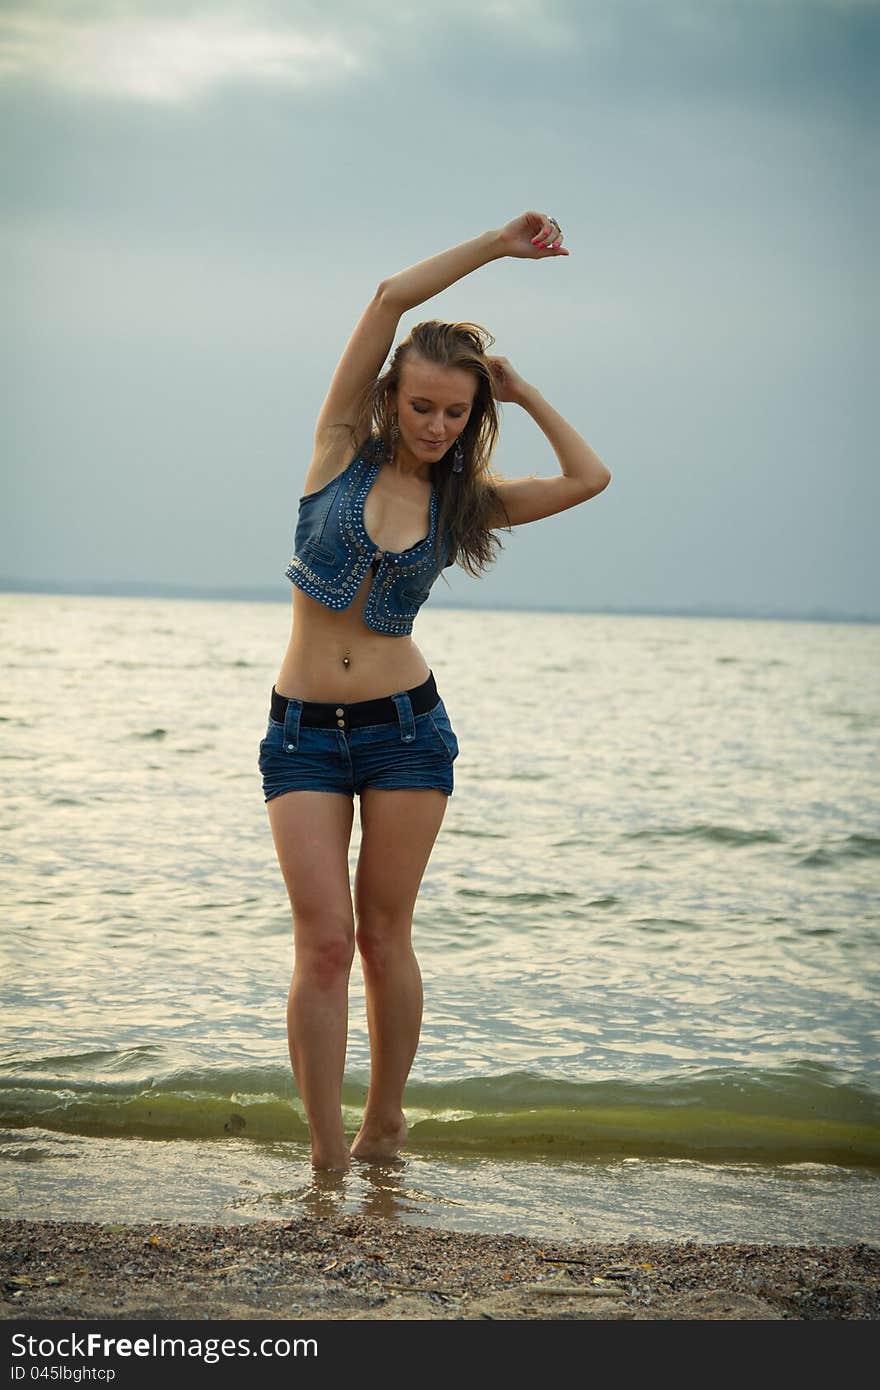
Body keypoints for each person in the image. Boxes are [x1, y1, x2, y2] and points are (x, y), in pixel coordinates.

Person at [258, 209, 611, 1171]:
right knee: (323, 942)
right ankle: (327, 1154)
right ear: (391, 398)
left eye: (456, 413)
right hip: (300, 735)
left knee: (381, 936)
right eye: (422, 406)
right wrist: (498, 247)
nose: (436, 425)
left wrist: (524, 391)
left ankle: (384, 1124)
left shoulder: (467, 503)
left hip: (407, 733)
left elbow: (591, 478)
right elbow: (390, 297)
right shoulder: (336, 447)